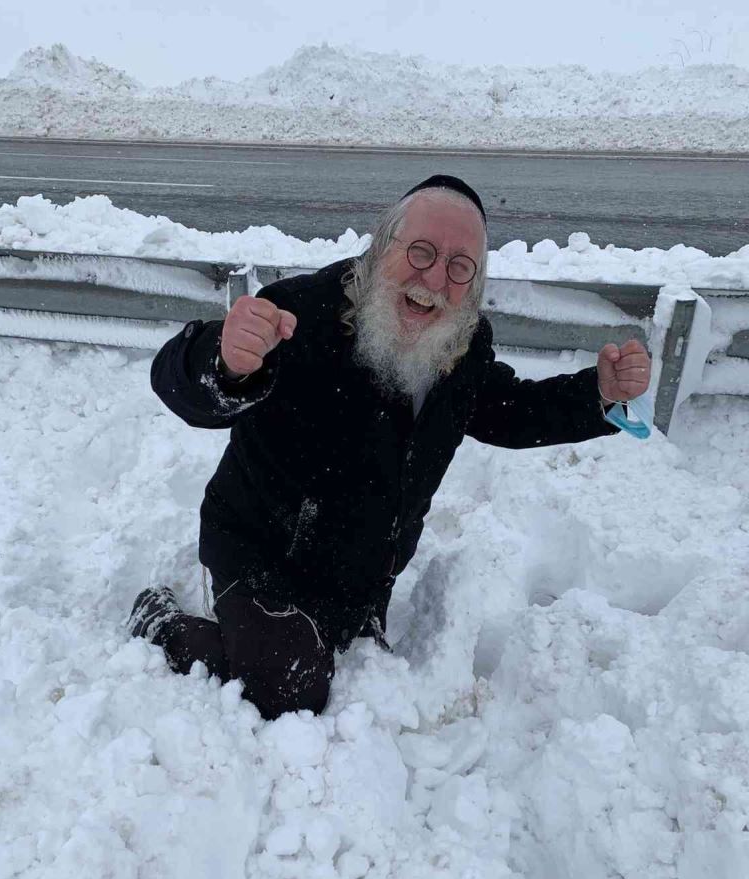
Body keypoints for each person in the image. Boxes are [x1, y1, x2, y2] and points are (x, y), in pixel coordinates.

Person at [129, 174, 650, 720]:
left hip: (364, 571)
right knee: (286, 688)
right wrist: (225, 362)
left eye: (459, 267)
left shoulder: (461, 344)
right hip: (263, 555)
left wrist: (600, 395)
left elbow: (507, 411)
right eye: (420, 252)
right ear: (380, 248)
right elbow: (180, 382)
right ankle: (162, 624)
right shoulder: (299, 313)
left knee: (342, 660)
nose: (435, 278)